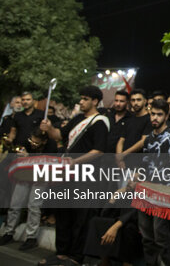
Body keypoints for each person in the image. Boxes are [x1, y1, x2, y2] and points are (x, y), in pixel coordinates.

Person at [38, 85, 109, 266]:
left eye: (85, 98)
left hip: (85, 176)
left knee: (80, 217)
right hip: (67, 175)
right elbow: (59, 135)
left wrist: (75, 162)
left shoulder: (100, 122)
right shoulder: (77, 118)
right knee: (63, 214)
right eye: (81, 98)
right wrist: (49, 128)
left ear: (95, 101)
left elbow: (98, 150)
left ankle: (76, 257)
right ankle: (62, 252)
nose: (81, 101)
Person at [138, 98, 170, 266]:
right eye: (152, 114)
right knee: (146, 235)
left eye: (159, 114)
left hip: (164, 190)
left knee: (160, 235)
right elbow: (145, 162)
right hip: (146, 190)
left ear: (166, 116)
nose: (155, 118)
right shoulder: (149, 138)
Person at [0, 128, 58, 250]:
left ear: (44, 141)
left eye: (36, 143)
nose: (32, 144)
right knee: (15, 204)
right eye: (32, 141)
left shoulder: (51, 146)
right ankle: (9, 232)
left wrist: (29, 157)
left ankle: (31, 237)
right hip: (25, 174)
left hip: (41, 176)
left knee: (34, 206)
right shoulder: (27, 141)